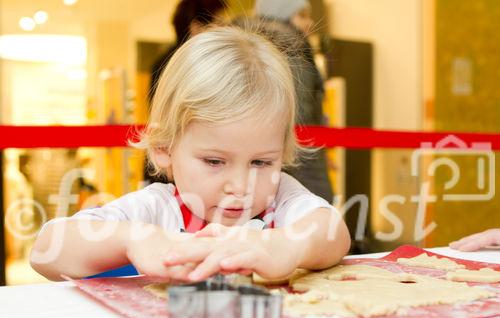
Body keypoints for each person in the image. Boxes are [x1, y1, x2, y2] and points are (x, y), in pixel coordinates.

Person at [30, 27, 350, 283]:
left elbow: (334, 232)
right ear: (164, 148)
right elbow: (45, 251)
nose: (240, 185)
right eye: (214, 161)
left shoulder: (281, 198)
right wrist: (134, 239)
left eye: (261, 162)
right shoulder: (157, 208)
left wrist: (287, 245)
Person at [254, 0, 334, 203]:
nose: (309, 22)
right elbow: (301, 112)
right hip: (300, 155)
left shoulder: (253, 43)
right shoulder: (291, 46)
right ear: (283, 14)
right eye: (302, 15)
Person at [147, 0, 228, 183]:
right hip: (185, 168)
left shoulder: (163, 60)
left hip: (167, 162)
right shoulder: (196, 65)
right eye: (220, 24)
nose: (225, 31)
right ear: (196, 27)